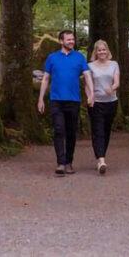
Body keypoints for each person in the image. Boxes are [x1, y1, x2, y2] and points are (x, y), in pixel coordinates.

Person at [37, 30, 94, 176]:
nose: (71, 42)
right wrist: (40, 98)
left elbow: (87, 77)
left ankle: (69, 162)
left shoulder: (79, 57)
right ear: (61, 41)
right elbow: (45, 78)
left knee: (70, 133)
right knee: (59, 130)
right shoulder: (52, 58)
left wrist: (92, 94)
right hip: (56, 100)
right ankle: (60, 163)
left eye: (72, 39)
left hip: (73, 101)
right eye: (68, 40)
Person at [88, 39, 120, 175]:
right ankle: (101, 160)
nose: (102, 52)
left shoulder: (114, 64)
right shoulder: (90, 66)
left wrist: (112, 88)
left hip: (111, 102)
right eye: (99, 50)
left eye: (104, 50)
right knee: (98, 130)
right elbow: (87, 84)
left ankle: (101, 156)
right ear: (95, 52)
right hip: (96, 103)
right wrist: (90, 96)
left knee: (106, 131)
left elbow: (117, 82)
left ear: (107, 51)